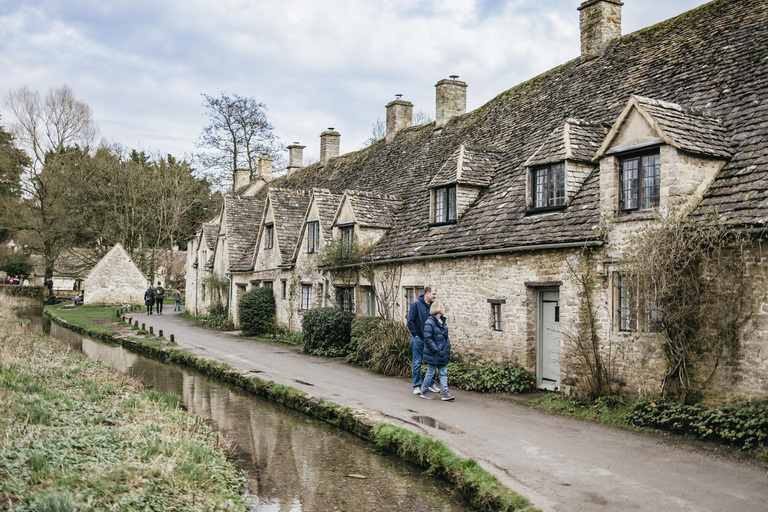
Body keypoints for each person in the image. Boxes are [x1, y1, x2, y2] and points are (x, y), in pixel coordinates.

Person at [407, 285, 440, 395]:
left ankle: (431, 384)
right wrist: (415, 335)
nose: (435, 296)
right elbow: (410, 321)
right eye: (433, 294)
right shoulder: (416, 304)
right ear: (427, 294)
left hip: (429, 340)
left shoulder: (433, 306)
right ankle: (416, 386)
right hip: (418, 339)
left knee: (431, 362)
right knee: (417, 362)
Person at [420, 301, 455, 401]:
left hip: (442, 352)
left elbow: (445, 337)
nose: (444, 309)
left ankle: (445, 393)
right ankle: (425, 391)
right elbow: (427, 338)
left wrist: (448, 346)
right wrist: (436, 350)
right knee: (431, 372)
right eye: (443, 308)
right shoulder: (429, 322)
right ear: (438, 310)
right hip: (434, 353)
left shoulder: (442, 321)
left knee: (443, 372)